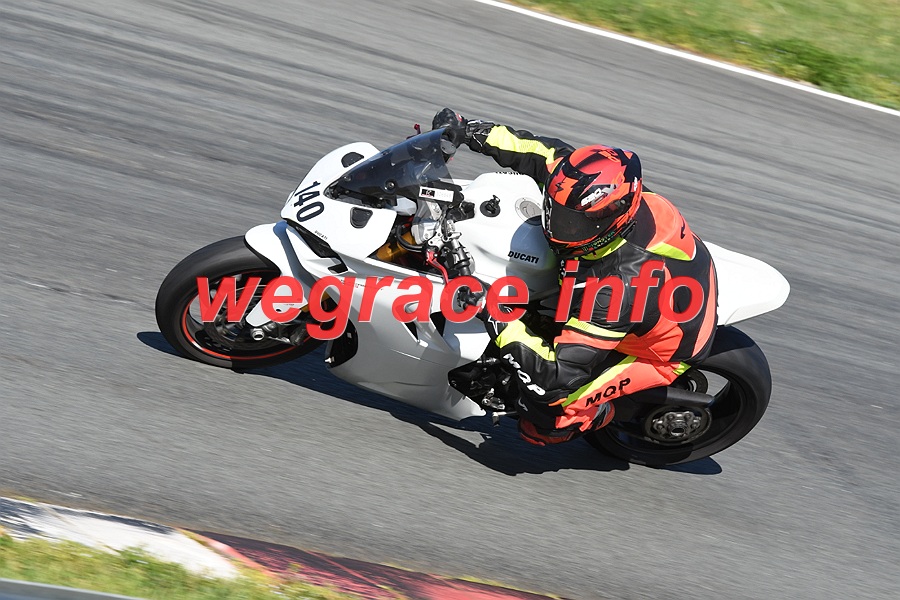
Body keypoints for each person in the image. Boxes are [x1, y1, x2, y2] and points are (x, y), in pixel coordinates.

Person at [432, 108, 718, 446]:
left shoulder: (616, 290)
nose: (558, 227)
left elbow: (555, 377)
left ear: (610, 220)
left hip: (655, 350)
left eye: (573, 223)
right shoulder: (599, 191)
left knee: (548, 411)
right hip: (663, 279)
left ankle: (600, 414)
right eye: (556, 210)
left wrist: (489, 307)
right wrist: (468, 130)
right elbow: (539, 152)